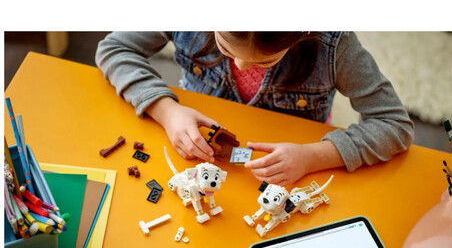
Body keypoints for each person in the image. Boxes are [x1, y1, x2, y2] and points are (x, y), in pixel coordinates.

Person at [95, 32, 414, 185]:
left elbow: (394, 125)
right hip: (199, 154)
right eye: (224, 46)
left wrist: (314, 156)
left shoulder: (336, 47)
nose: (240, 64)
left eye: (265, 60)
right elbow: (114, 49)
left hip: (293, 163)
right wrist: (166, 111)